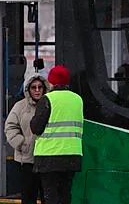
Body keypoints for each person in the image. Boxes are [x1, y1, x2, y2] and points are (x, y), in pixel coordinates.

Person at [31, 65, 83, 204]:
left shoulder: (47, 99)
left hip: (49, 156)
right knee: (65, 193)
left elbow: (36, 127)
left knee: (50, 195)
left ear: (51, 82)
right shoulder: (78, 99)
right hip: (72, 155)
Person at [4, 70, 49, 204]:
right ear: (28, 89)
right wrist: (22, 144)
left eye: (40, 87)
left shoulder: (50, 105)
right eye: (33, 87)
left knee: (47, 197)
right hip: (26, 161)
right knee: (28, 197)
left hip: (47, 160)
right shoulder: (20, 106)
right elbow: (10, 127)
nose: (37, 91)